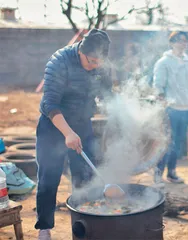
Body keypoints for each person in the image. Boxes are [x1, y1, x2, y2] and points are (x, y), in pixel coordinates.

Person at [35, 28, 112, 240]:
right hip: (53, 125)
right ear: (81, 51)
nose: (95, 66)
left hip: (82, 123)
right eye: (92, 61)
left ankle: (83, 223)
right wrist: (68, 133)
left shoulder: (101, 65)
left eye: (99, 62)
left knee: (84, 174)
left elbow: (108, 95)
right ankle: (44, 227)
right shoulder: (59, 61)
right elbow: (50, 103)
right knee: (49, 178)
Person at [153, 31, 188, 184]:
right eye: (179, 41)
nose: (183, 44)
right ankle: (158, 175)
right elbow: (158, 87)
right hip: (171, 109)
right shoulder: (164, 62)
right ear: (171, 43)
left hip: (187, 108)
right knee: (167, 143)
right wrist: (164, 105)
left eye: (185, 41)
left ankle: (172, 173)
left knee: (178, 143)